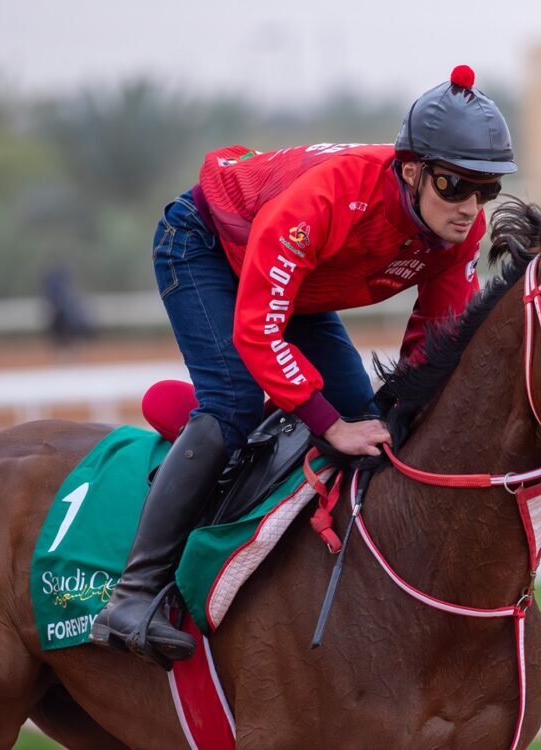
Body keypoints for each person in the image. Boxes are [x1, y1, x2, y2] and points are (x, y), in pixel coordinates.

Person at [90, 65, 517, 665]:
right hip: (207, 248)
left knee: (373, 422)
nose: (470, 208)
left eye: (486, 190)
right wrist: (326, 421)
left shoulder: (456, 234)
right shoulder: (331, 196)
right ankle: (131, 596)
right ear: (413, 170)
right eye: (454, 186)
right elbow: (258, 329)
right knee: (235, 406)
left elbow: (433, 346)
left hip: (302, 287)